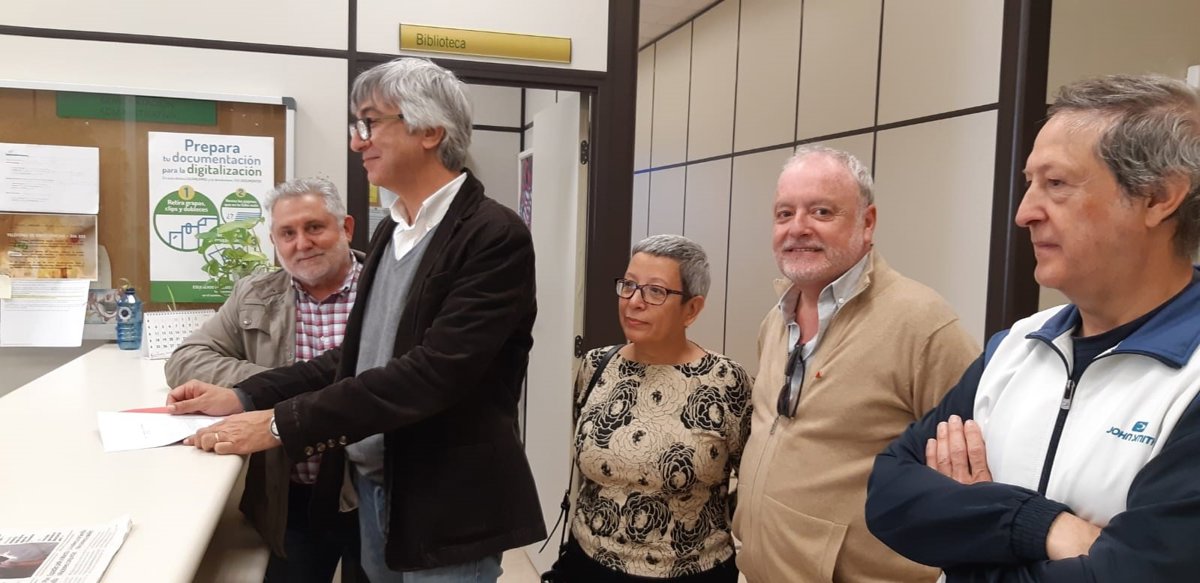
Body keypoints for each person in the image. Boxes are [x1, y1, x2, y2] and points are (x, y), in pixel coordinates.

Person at [165, 56, 545, 582]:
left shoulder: (491, 236)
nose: (356, 141)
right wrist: (245, 396)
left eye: (369, 123)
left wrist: (278, 424)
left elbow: (431, 374)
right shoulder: (393, 231)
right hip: (376, 488)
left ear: (430, 130)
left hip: (445, 504)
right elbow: (357, 357)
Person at [865, 74, 1200, 581]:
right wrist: (1043, 527)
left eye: (1056, 184)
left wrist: (968, 535)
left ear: (1157, 197)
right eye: (1030, 183)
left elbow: (1138, 574)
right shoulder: (1018, 345)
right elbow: (889, 492)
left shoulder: (1189, 380)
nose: (1024, 213)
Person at [731, 146, 978, 582]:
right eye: (784, 213)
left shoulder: (922, 324)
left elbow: (975, 475)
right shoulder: (775, 320)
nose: (797, 228)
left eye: (821, 212)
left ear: (867, 222)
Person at [165, 176, 364, 583]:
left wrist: (275, 390)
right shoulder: (254, 294)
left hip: (374, 495)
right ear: (273, 241)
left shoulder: (384, 290)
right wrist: (276, 383)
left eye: (314, 227)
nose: (302, 244)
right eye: (287, 233)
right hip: (289, 497)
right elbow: (185, 359)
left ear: (346, 228)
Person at [550, 234, 752, 582]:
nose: (633, 302)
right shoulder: (596, 365)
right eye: (628, 285)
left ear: (692, 309)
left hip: (690, 571)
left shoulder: (725, 381)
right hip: (588, 564)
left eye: (655, 291)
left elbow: (751, 481)